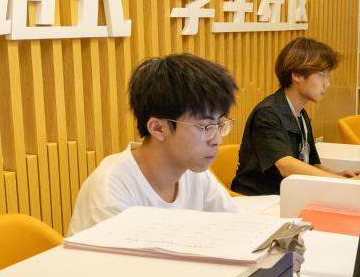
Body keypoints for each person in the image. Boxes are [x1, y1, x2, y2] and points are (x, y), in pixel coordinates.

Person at [67, 54, 238, 235]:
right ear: (158, 128)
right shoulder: (112, 188)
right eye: (205, 127)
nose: (217, 140)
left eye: (220, 125)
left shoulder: (193, 171)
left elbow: (234, 226)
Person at [232, 38, 360, 196]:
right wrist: (343, 183)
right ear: (297, 75)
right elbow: (286, 165)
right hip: (257, 199)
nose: (327, 83)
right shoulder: (267, 114)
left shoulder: (300, 113)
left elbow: (310, 164)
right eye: (321, 75)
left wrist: (338, 175)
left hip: (288, 194)